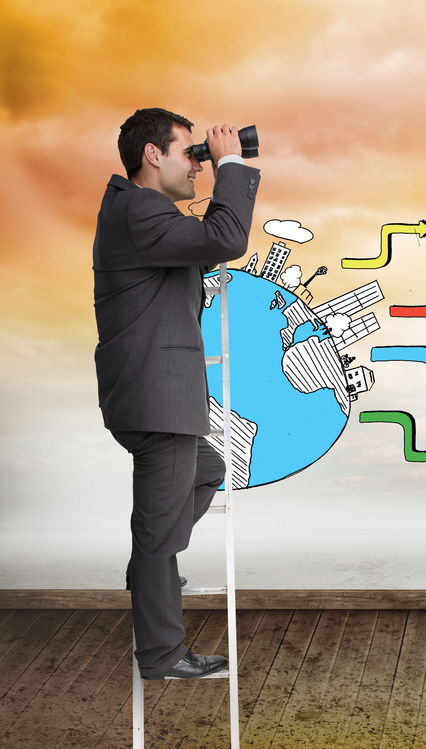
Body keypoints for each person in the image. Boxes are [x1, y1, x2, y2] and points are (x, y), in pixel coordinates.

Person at [92, 108, 260, 679]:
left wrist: (216, 176)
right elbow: (228, 238)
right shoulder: (140, 208)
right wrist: (230, 163)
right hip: (157, 398)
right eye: (189, 152)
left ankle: (151, 567)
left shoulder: (137, 212)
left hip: (151, 394)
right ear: (152, 155)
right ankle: (162, 654)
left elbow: (206, 247)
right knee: (158, 532)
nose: (197, 164)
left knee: (208, 469)